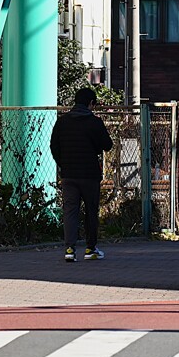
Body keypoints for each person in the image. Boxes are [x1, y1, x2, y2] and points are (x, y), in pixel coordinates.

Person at [49, 87, 114, 262]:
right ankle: (90, 249)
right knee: (91, 211)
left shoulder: (62, 122)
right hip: (90, 174)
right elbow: (108, 145)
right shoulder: (94, 122)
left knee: (70, 211)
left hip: (69, 174)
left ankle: (69, 249)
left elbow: (54, 146)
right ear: (91, 103)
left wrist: (63, 163)